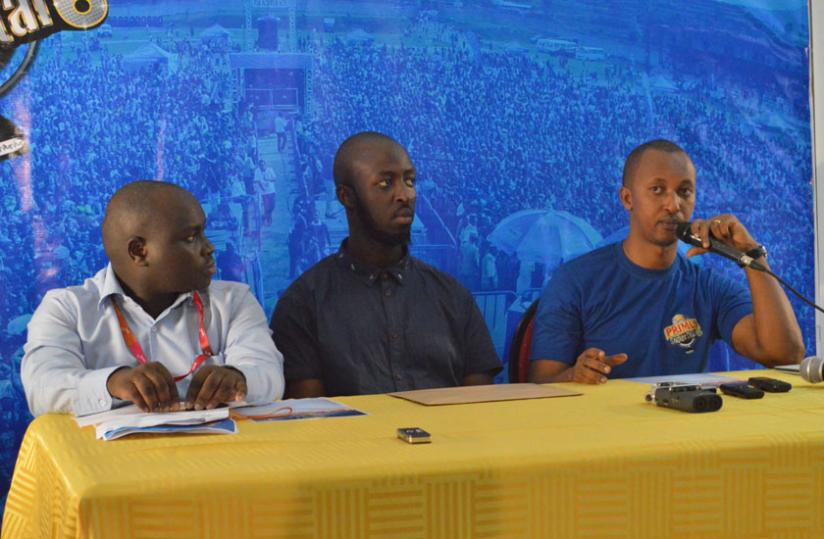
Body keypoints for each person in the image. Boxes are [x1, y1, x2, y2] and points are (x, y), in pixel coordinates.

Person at [529, 139, 804, 384]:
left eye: (684, 192)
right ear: (628, 198)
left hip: (687, 437)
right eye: (657, 189)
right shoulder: (575, 280)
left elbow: (783, 354)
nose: (673, 205)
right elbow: (542, 381)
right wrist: (576, 375)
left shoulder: (708, 287)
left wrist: (752, 256)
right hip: (607, 435)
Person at [21, 181, 284, 416]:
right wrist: (114, 383)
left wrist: (238, 378)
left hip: (215, 463)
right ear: (139, 251)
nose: (209, 247)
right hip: (110, 465)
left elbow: (269, 374)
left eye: (203, 233)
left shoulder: (234, 300)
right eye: (191, 238)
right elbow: (42, 389)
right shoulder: (66, 309)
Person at [271, 132, 501, 398]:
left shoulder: (452, 296)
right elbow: (310, 421)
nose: (405, 195)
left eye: (410, 181)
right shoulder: (304, 304)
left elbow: (481, 407)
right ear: (347, 197)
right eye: (385, 183)